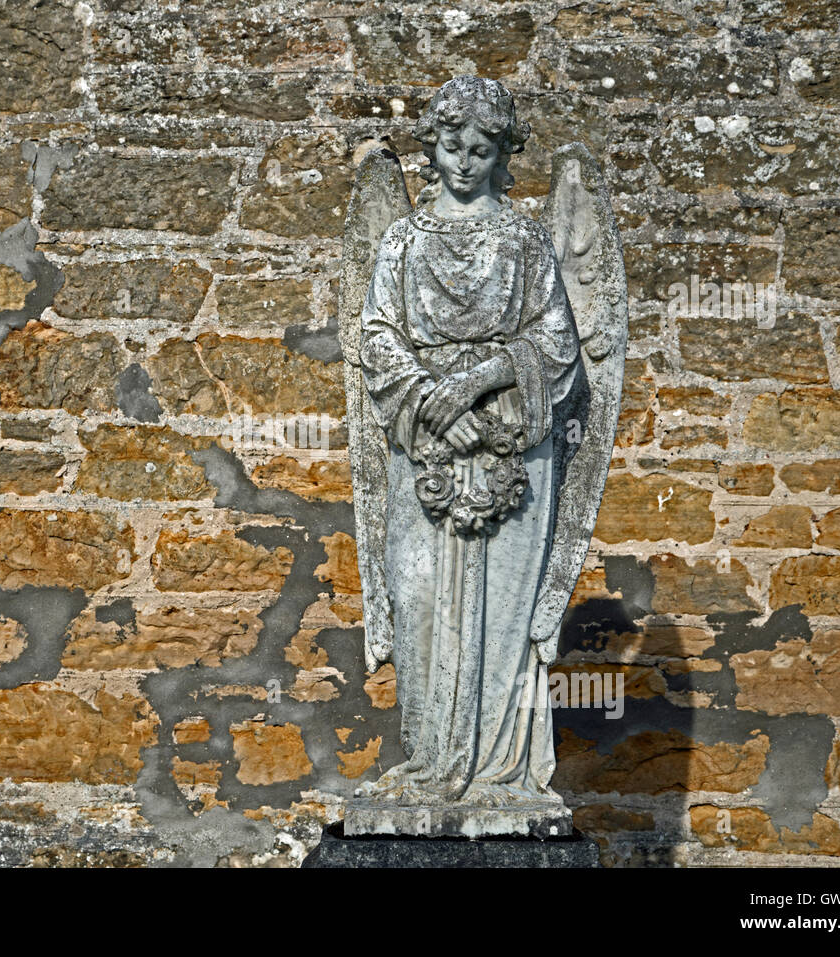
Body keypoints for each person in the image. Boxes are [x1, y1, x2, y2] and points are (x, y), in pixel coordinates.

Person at [357, 75, 582, 807]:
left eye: (480, 149)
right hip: (421, 447)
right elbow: (377, 339)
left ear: (501, 154)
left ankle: (494, 771)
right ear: (433, 147)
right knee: (418, 602)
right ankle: (430, 758)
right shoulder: (399, 242)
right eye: (451, 146)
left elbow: (556, 344)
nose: (462, 162)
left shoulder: (525, 240)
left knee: (504, 614)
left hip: (508, 446)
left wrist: (479, 381)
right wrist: (429, 400)